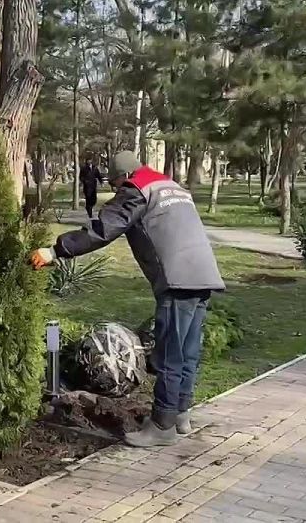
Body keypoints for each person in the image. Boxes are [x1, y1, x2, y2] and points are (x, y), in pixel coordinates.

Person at [29, 150, 225, 447]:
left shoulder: (137, 190)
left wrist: (56, 250)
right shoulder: (171, 186)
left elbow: (103, 229)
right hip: (204, 274)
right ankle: (180, 414)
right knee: (188, 351)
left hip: (178, 279)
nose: (116, 190)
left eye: (115, 183)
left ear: (124, 176)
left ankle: (162, 426)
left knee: (169, 354)